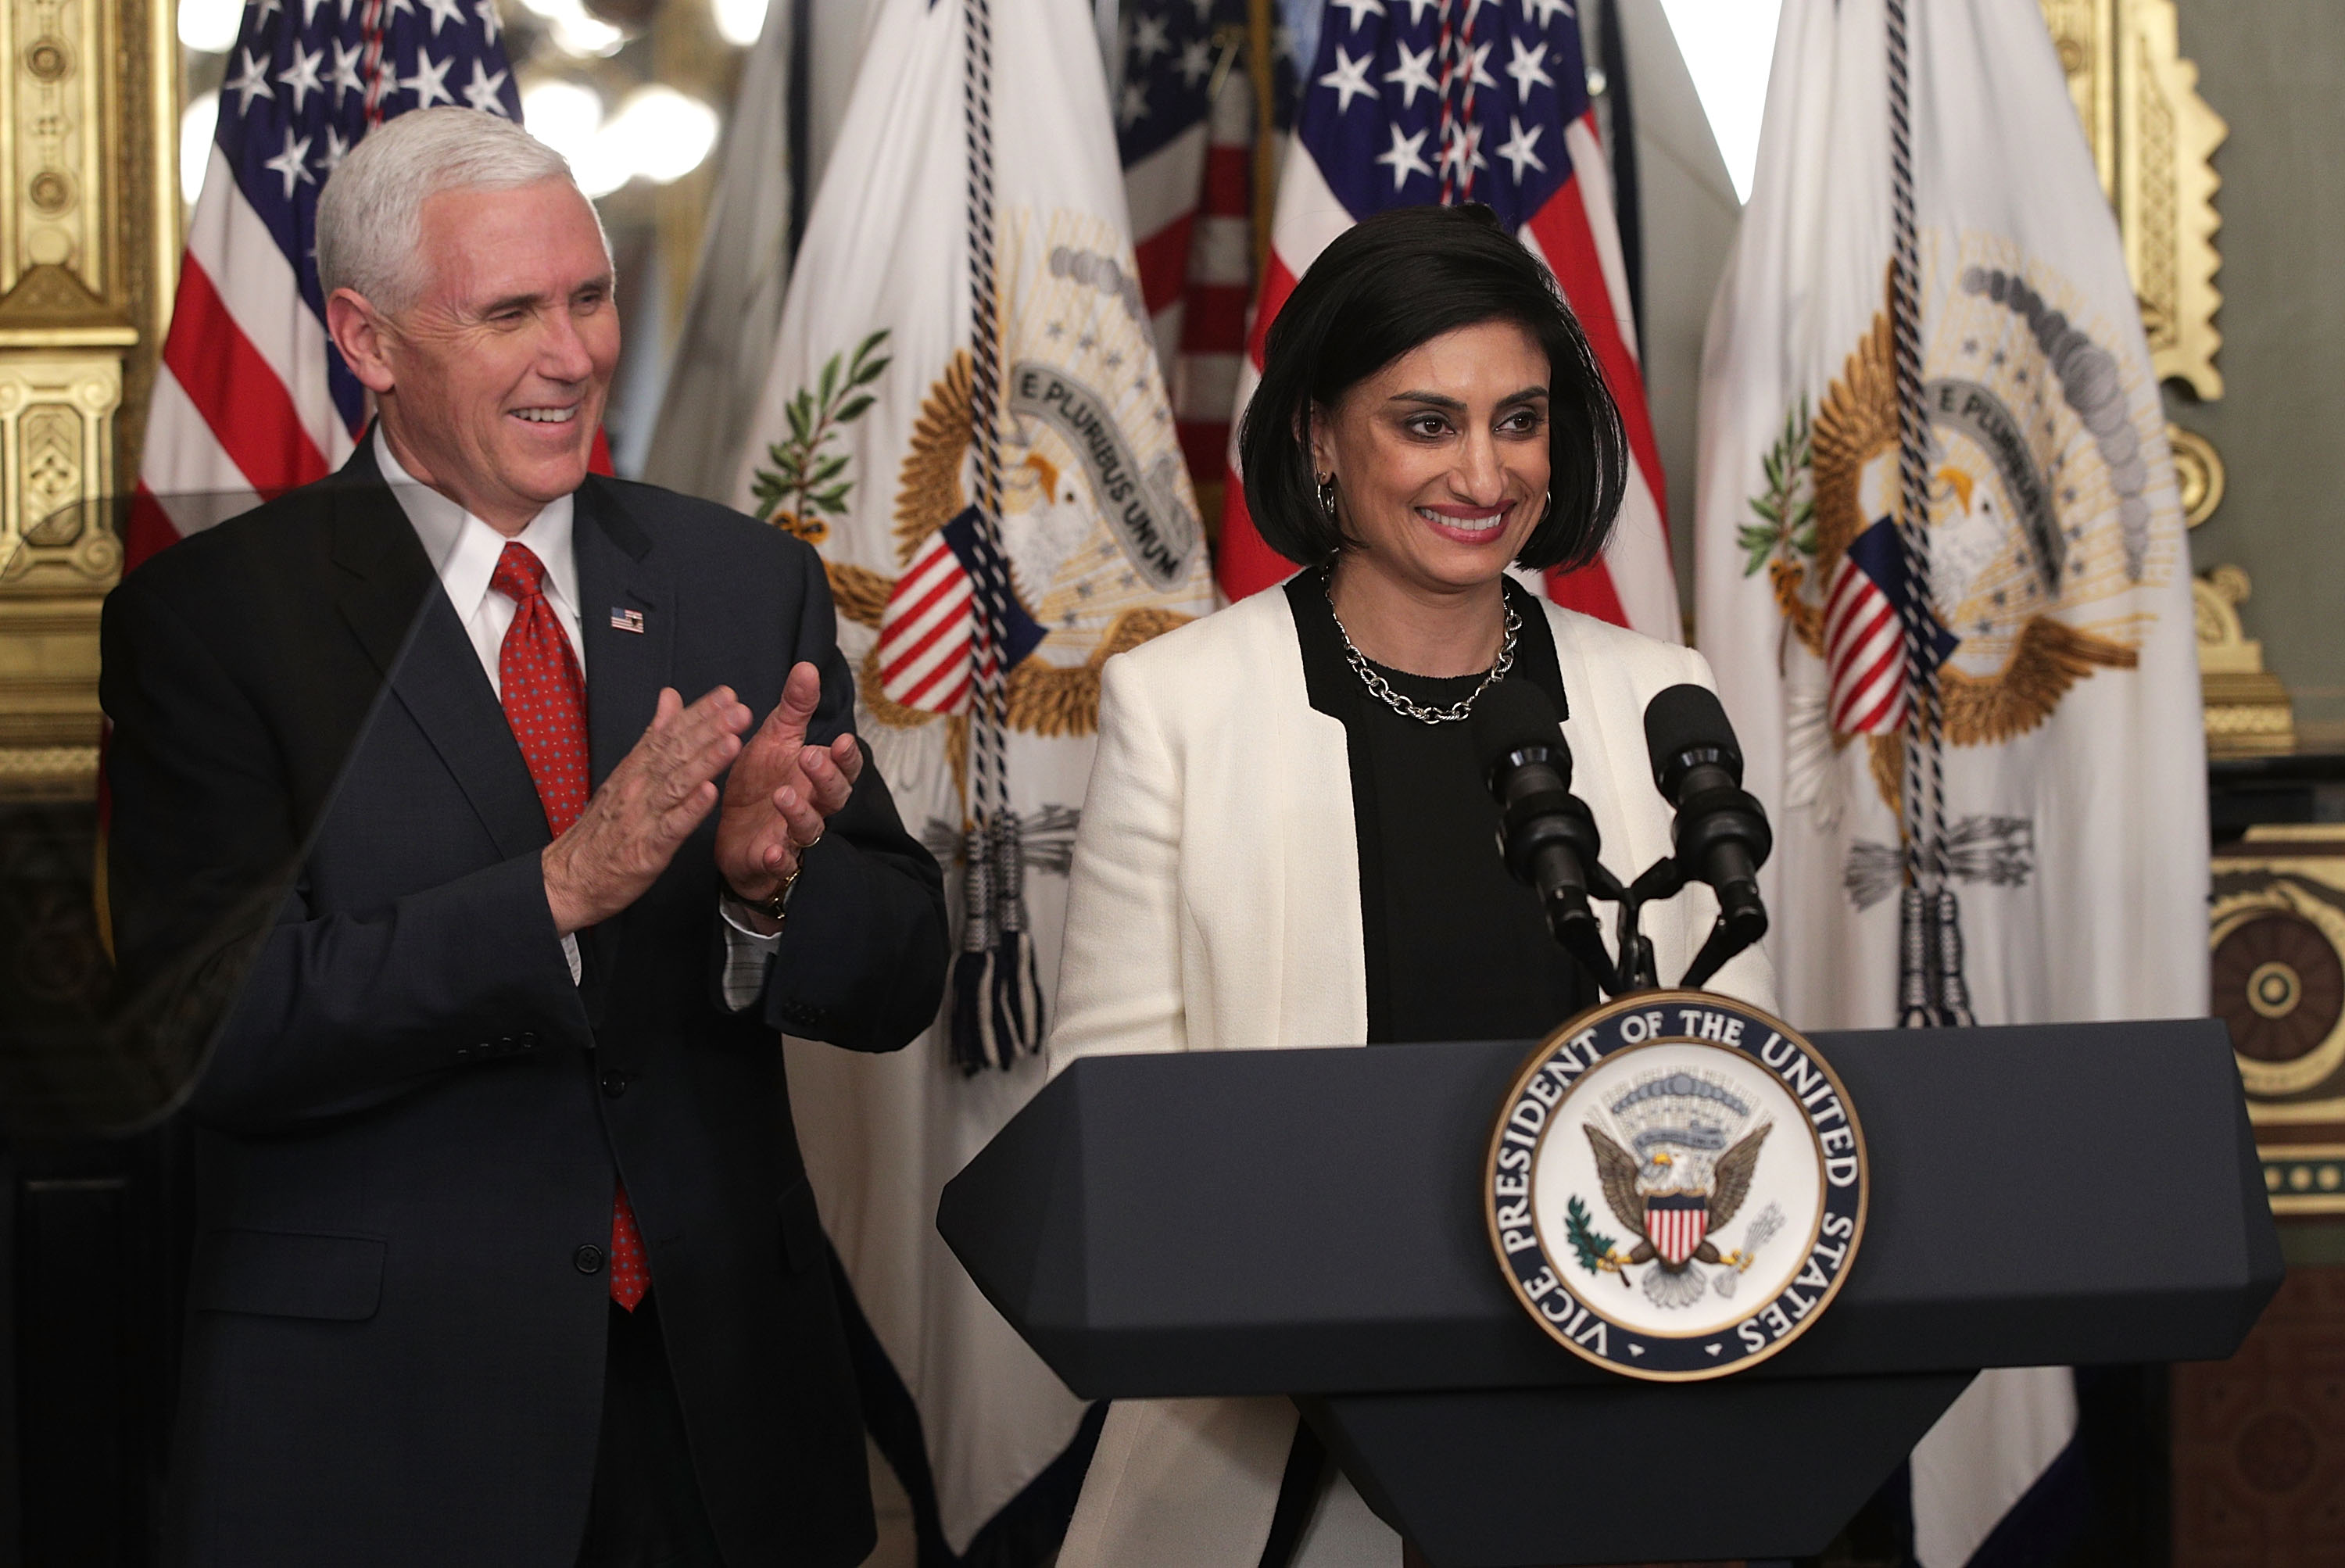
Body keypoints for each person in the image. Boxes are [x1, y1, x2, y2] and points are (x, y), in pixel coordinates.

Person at [101, 108, 949, 1568]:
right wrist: (557, 891)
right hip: (387, 1433)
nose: (575, 353)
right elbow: (207, 1030)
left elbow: (904, 971)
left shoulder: (742, 582)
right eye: (510, 313)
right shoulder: (219, 622)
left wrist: (765, 892)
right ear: (366, 341)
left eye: (590, 296)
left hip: (721, 1423)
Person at [1044, 204, 1778, 1568]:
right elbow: (1112, 1131)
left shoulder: (1659, 700)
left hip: (1616, 1437)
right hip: (1281, 1451)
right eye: (1427, 422)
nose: (1485, 471)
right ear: (1323, 436)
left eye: (1520, 420)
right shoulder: (1183, 708)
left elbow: (1753, 1087)